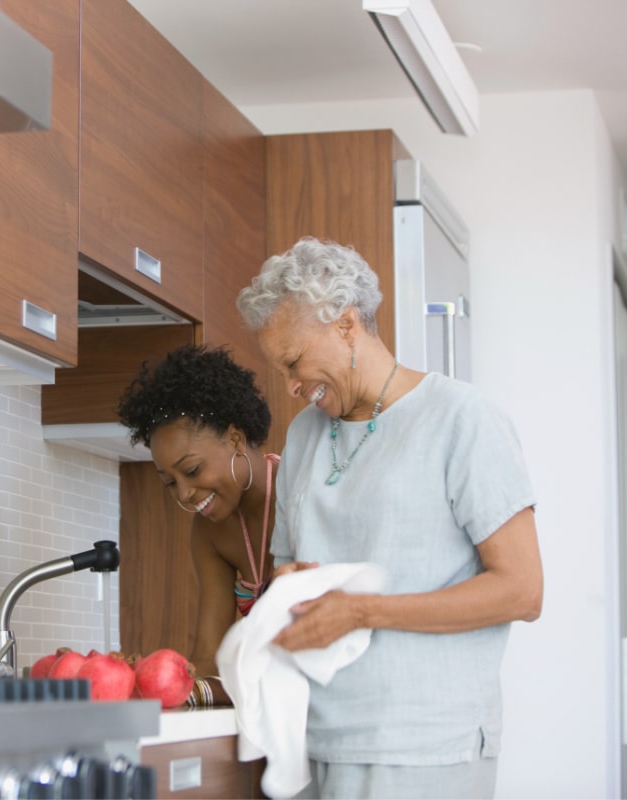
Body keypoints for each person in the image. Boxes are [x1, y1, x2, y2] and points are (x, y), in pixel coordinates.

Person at [234, 236, 543, 800]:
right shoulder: (305, 434)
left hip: (422, 748)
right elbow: (287, 572)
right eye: (280, 369)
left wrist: (362, 611)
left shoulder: (462, 419)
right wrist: (287, 588)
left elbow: (522, 591)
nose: (292, 385)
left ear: (347, 325)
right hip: (313, 743)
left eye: (295, 362)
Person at [116, 343, 279, 706]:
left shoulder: (295, 491)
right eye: (170, 482)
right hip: (276, 710)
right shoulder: (210, 533)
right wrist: (168, 692)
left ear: (236, 438)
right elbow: (208, 657)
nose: (185, 495)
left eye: (191, 470)